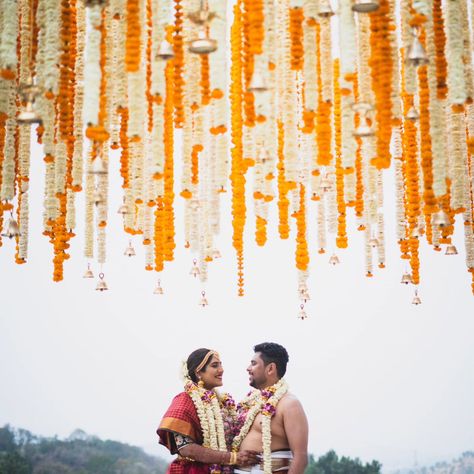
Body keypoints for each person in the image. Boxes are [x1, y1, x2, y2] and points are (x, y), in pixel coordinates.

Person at [157, 348, 259, 474]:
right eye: (215, 366)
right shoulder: (185, 400)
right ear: (198, 372)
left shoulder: (222, 401)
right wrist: (232, 458)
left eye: (221, 365)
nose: (221, 370)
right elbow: (186, 448)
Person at [232, 342, 308, 474]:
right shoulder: (251, 402)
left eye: (254, 363)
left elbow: (300, 457)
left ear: (270, 368)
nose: (248, 368)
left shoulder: (289, 404)